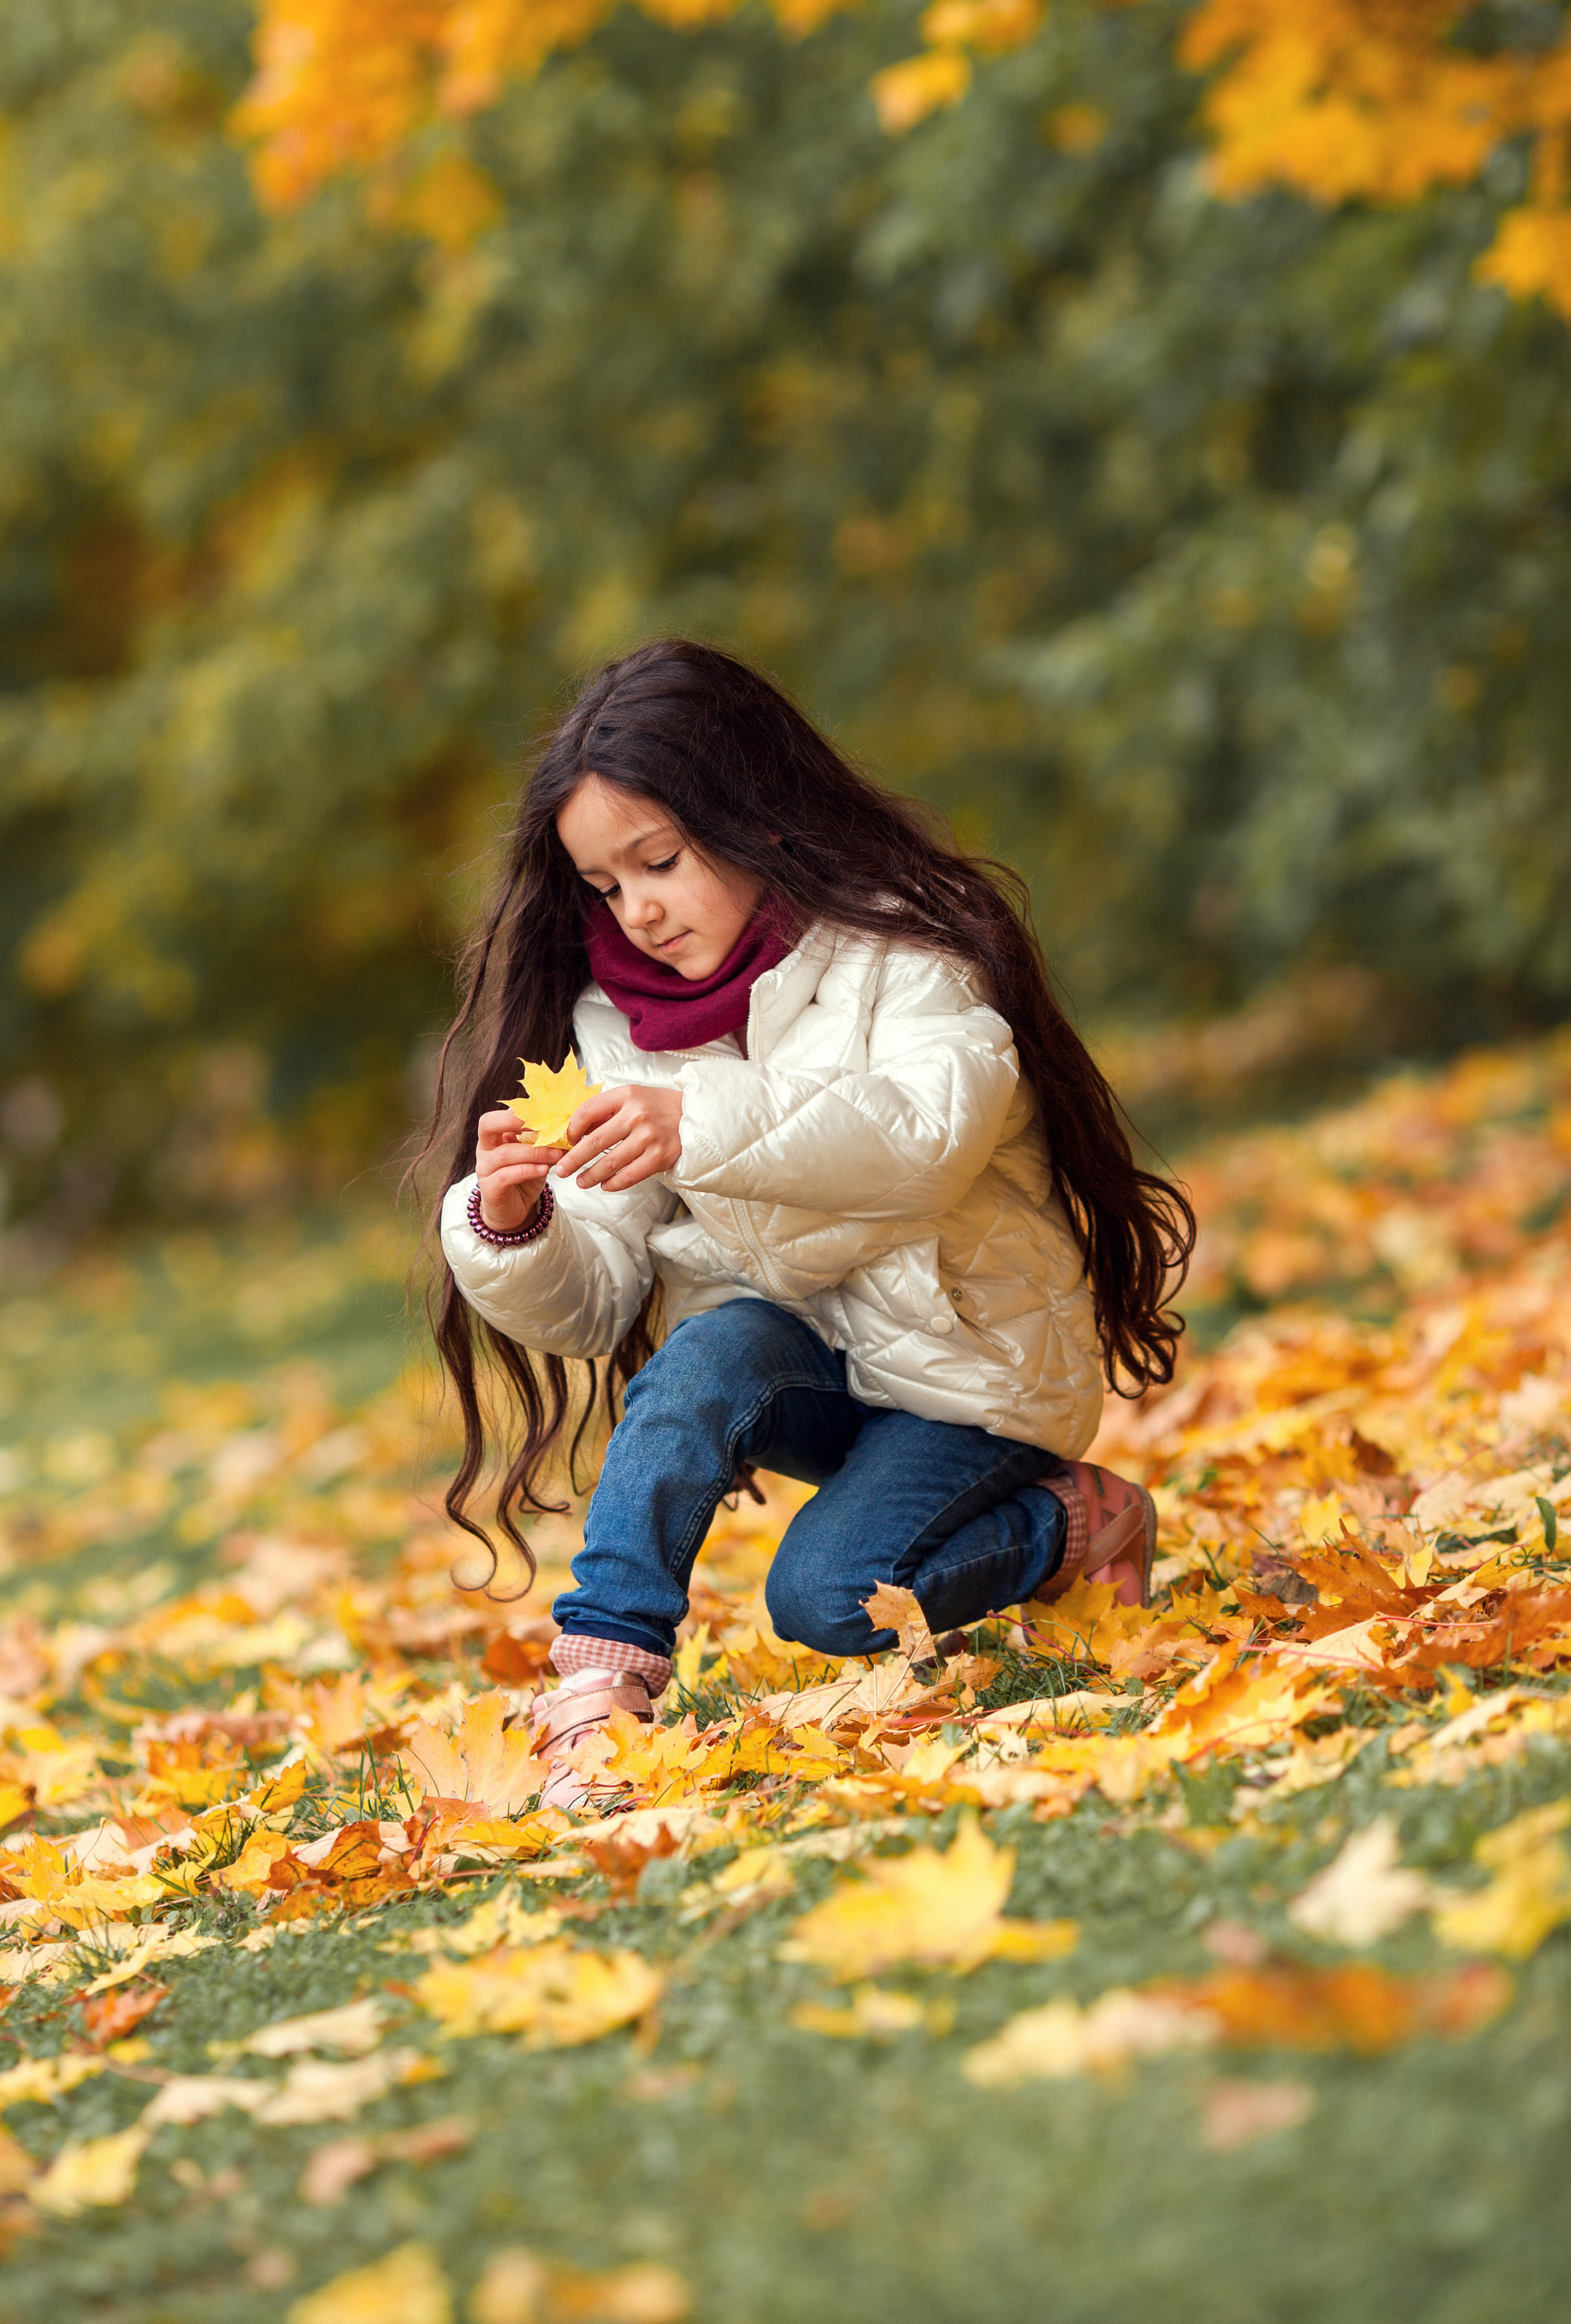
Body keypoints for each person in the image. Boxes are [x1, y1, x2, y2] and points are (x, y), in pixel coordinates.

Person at [424, 639, 1192, 1807]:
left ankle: (1078, 1522)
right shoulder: (616, 1020)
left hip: (967, 1374)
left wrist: (697, 1121)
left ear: (753, 814)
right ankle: (598, 1683)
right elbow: (599, 1299)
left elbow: (926, 1137)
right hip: (813, 1372)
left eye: (661, 862)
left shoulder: (906, 943)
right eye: (605, 885)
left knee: (828, 1604)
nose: (637, 910)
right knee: (707, 1354)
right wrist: (513, 1225)